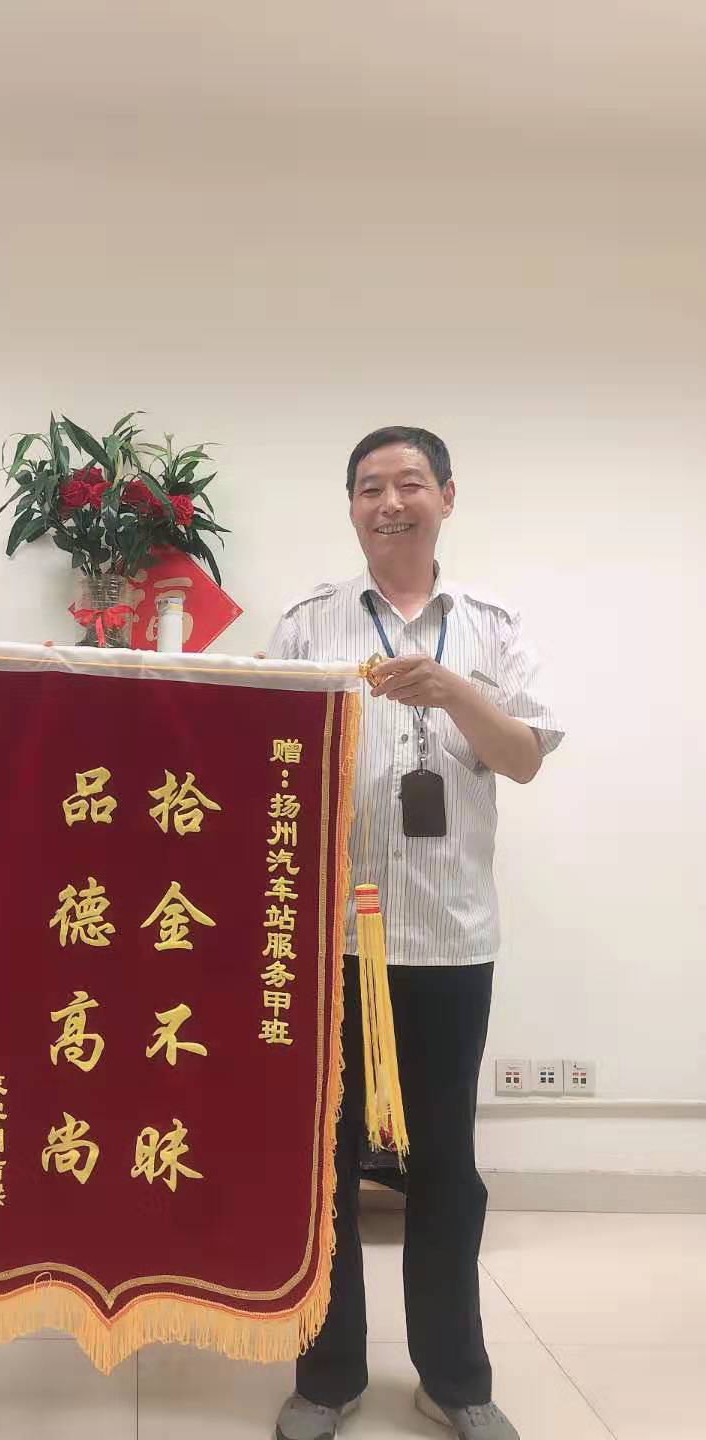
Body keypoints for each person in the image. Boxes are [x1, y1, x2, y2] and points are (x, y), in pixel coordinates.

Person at [269, 427, 563, 1440]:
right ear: (351, 506)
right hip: (328, 947)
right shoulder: (306, 623)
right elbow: (262, 760)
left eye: (408, 484)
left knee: (444, 1167)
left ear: (446, 496)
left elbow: (523, 757)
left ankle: (455, 1376)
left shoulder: (493, 627)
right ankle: (327, 1376)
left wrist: (451, 689)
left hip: (447, 940)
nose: (389, 502)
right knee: (323, 1168)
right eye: (369, 488)